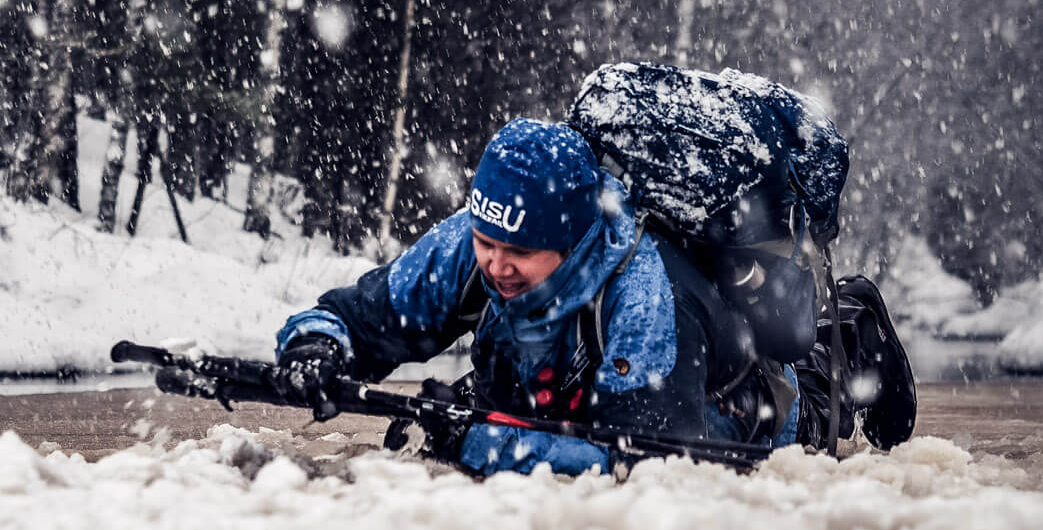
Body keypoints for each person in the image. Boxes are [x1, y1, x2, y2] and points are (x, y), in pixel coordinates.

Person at [275, 118, 913, 477]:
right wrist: (317, 345)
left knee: (808, 410)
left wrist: (471, 442)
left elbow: (651, 467)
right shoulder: (476, 241)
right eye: (485, 241)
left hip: (734, 411)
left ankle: (848, 327)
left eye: (520, 254)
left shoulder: (646, 300)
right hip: (562, 380)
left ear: (572, 242)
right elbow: (362, 318)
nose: (494, 263)